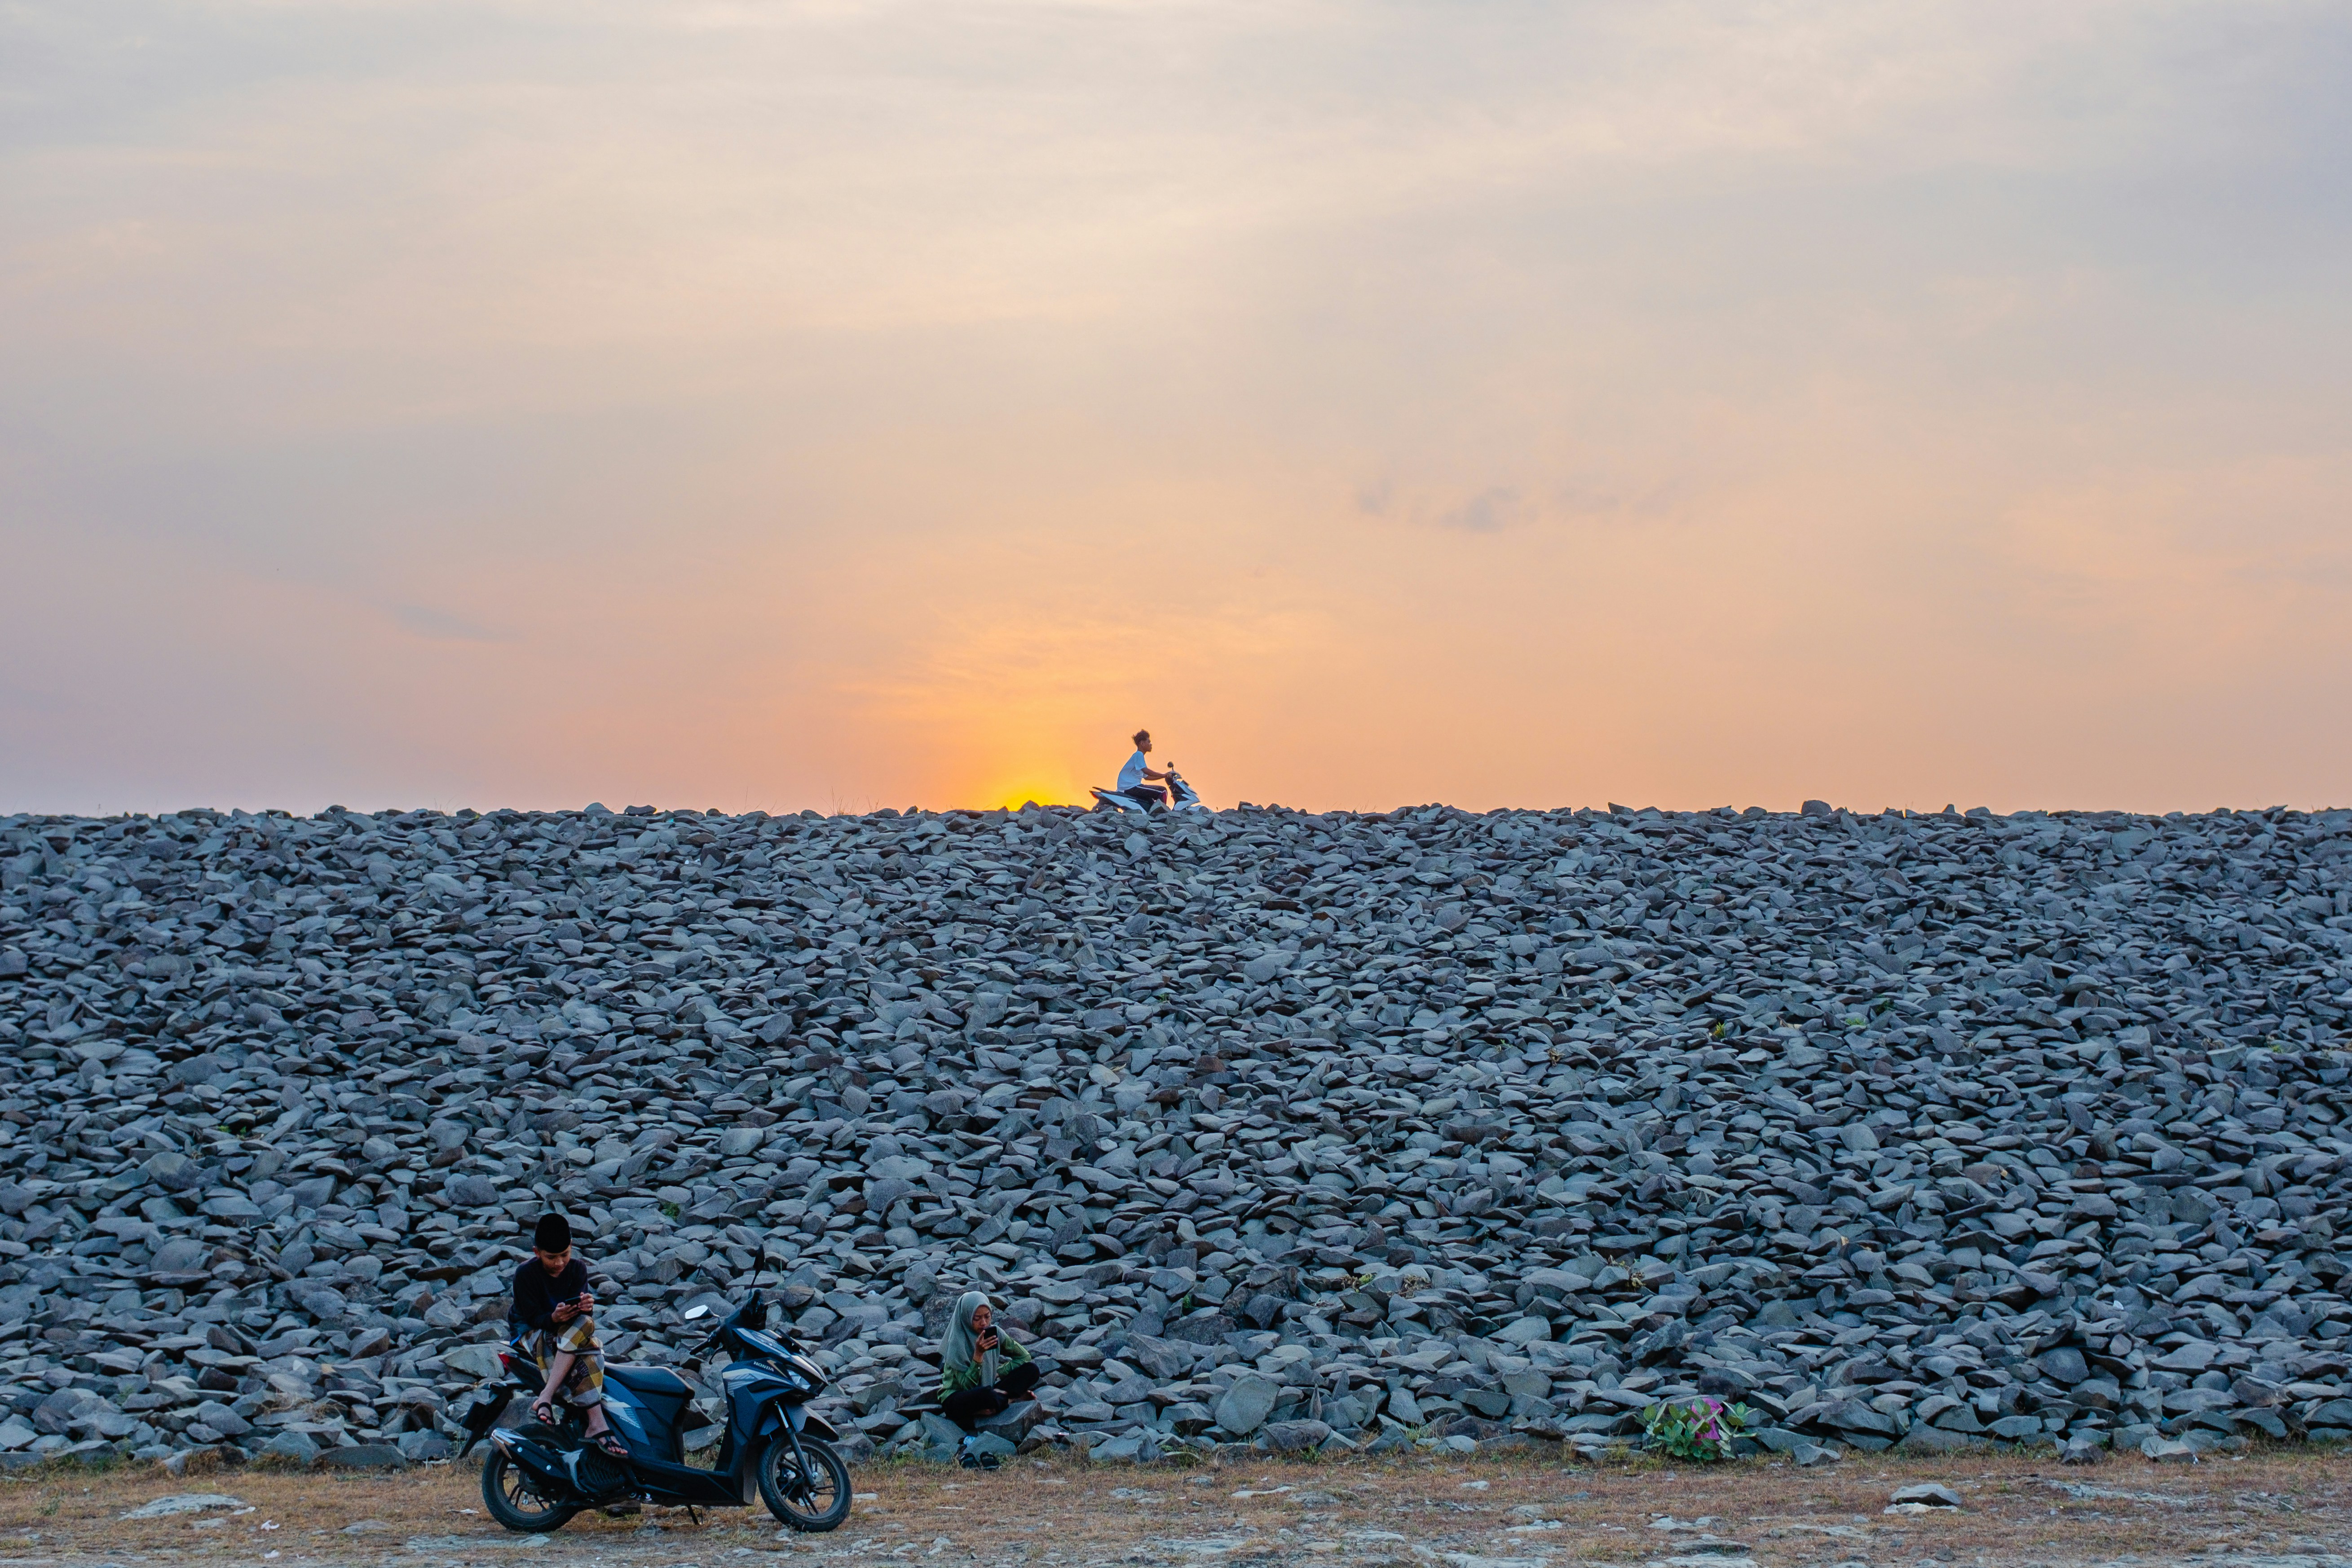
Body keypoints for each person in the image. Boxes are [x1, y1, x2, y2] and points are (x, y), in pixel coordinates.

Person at [510, 1212, 627, 1456]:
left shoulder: (578, 1269)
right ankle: (597, 1424)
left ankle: (546, 1396)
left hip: (568, 1332)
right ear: (537, 1252)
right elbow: (530, 1317)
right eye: (552, 1257)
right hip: (533, 1331)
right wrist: (552, 1318)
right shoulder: (525, 1274)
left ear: (571, 1248)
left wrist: (586, 1306)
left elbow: (583, 1319)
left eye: (565, 1254)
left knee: (585, 1322)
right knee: (589, 1350)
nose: (560, 1263)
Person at [936, 1290, 1038, 1470]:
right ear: (967, 1317)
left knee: (1032, 1370)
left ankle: (997, 1400)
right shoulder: (956, 1342)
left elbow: (1024, 1357)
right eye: (977, 1318)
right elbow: (967, 1387)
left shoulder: (995, 1333)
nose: (984, 1323)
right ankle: (1010, 1399)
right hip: (957, 1397)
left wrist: (999, 1373)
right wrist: (978, 1355)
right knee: (983, 1394)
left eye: (988, 1317)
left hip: (988, 1390)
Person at [1117, 729, 1169, 809]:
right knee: (1163, 791)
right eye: (1149, 742)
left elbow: (1147, 777)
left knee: (1151, 802)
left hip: (1129, 787)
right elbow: (1146, 771)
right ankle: (1162, 813)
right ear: (1142, 743)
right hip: (1131, 787)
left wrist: (1164, 777)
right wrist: (1163, 775)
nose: (1151, 744)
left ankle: (1152, 815)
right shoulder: (1139, 755)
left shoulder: (1138, 757)